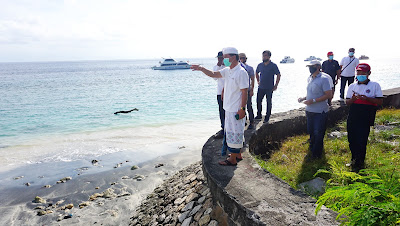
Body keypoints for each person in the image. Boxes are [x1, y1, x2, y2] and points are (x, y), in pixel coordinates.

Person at [191, 47, 248, 166]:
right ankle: (237, 154)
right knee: (232, 132)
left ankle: (232, 160)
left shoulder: (241, 72)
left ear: (233, 57)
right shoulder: (228, 70)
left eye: (225, 57)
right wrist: (201, 68)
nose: (224, 59)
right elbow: (213, 74)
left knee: (235, 132)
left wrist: (242, 109)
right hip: (228, 107)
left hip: (236, 109)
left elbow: (244, 91)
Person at [346, 63, 383, 172]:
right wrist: (353, 100)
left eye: (363, 73)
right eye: (358, 72)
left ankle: (360, 162)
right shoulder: (352, 86)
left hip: (366, 114)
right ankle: (353, 159)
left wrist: (367, 98)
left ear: (368, 73)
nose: (360, 74)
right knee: (351, 138)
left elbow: (380, 101)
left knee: (362, 139)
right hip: (353, 114)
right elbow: (347, 102)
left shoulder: (375, 85)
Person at [298, 60, 333, 159]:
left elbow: (328, 95)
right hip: (309, 110)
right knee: (311, 131)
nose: (310, 68)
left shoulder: (324, 79)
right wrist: (304, 98)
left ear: (318, 67)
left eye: (311, 66)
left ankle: (317, 155)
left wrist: (313, 101)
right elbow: (311, 93)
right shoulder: (310, 78)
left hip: (320, 111)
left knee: (318, 132)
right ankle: (312, 149)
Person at [255, 50, 281, 123]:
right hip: (261, 87)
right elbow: (256, 72)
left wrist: (276, 85)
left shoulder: (273, 65)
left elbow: (278, 75)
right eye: (263, 55)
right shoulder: (260, 65)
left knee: (268, 102)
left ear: (269, 56)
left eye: (265, 55)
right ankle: (259, 115)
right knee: (258, 101)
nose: (264, 57)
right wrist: (258, 81)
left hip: (269, 87)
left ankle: (267, 116)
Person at [239, 53, 255, 129]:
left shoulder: (249, 68)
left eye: (243, 58)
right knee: (241, 106)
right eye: (240, 58)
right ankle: (244, 121)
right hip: (239, 91)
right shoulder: (238, 68)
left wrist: (252, 89)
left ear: (246, 58)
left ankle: (251, 122)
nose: (241, 59)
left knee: (249, 106)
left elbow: (252, 79)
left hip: (247, 90)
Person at [213, 51, 226, 139]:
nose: (220, 59)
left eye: (221, 58)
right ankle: (223, 127)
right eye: (219, 58)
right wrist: (218, 65)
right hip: (219, 92)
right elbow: (214, 77)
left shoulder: (228, 67)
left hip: (229, 92)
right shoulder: (216, 67)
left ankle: (229, 127)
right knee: (221, 111)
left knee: (229, 110)